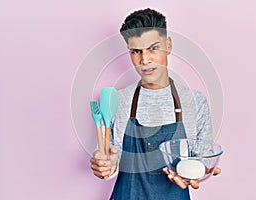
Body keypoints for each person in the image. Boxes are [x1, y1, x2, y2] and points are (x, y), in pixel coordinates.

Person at [90, 8, 221, 200]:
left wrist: (199, 172)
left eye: (153, 48)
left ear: (168, 45)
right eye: (136, 51)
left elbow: (202, 157)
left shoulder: (195, 102)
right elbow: (110, 160)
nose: (145, 60)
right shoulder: (118, 100)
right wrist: (105, 166)